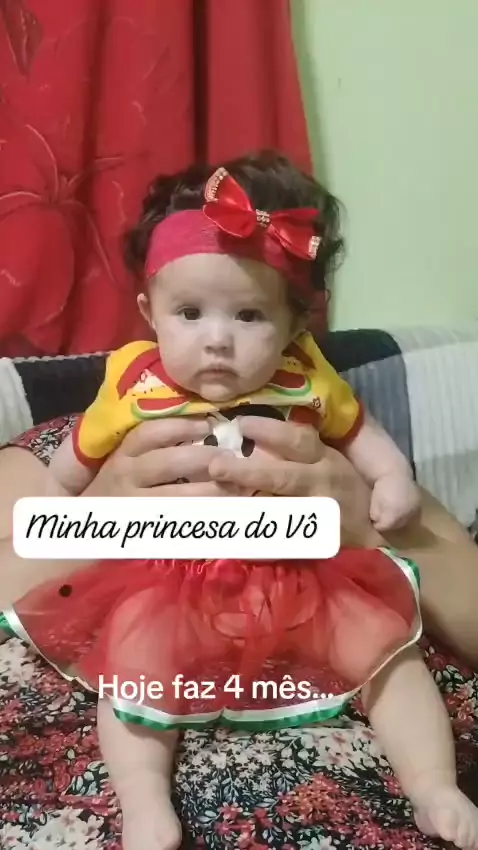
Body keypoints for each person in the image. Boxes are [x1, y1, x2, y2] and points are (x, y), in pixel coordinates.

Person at [1, 152, 477, 850]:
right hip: (166, 585)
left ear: (294, 327)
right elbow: (61, 479)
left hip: (307, 582)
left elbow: (366, 439)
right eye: (190, 313)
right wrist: (89, 514)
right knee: (132, 659)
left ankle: (434, 786)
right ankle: (144, 805)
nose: (217, 339)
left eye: (249, 314)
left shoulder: (308, 386)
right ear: (150, 314)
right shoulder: (131, 391)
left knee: (388, 653)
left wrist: (385, 497)